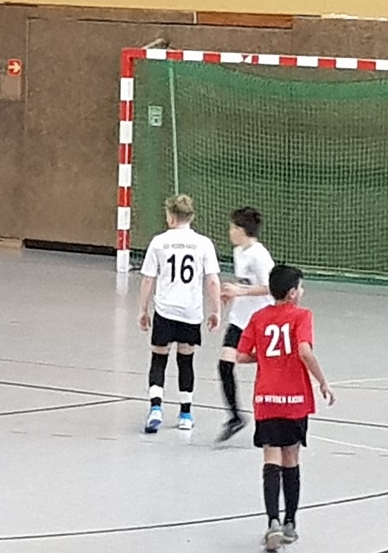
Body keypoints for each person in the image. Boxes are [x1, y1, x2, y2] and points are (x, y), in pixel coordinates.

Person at [237, 265, 335, 550]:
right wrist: (323, 381)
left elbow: (241, 356)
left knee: (271, 457)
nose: (302, 291)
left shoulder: (258, 317)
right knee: (291, 457)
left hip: (266, 398)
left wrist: (266, 357)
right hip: (294, 398)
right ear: (292, 293)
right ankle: (290, 522)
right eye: (300, 287)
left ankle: (272, 522)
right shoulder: (302, 316)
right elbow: (304, 351)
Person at [138, 194, 221, 433]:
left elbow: (148, 279)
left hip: (165, 310)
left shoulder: (159, 242)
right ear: (191, 217)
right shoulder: (204, 243)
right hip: (190, 312)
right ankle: (185, 414)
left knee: (159, 358)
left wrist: (143, 310)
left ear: (171, 217)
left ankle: (155, 408)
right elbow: (212, 280)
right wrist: (215, 310)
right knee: (186, 361)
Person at [216, 207, 275, 443]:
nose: (229, 232)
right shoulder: (238, 252)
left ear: (241, 230)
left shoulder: (260, 255)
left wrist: (240, 291)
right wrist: (232, 293)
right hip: (240, 318)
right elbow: (245, 283)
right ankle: (235, 417)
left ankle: (270, 420)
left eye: (232, 228)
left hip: (260, 319)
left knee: (268, 370)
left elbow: (270, 287)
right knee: (225, 364)